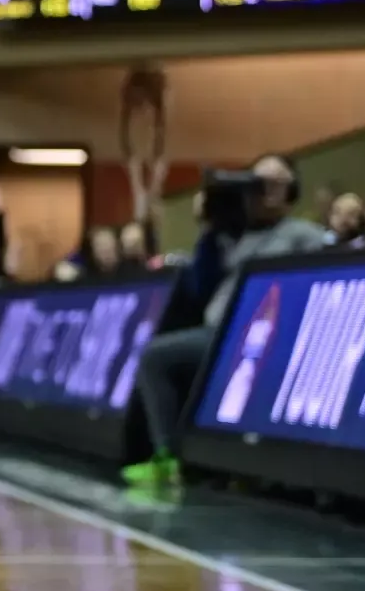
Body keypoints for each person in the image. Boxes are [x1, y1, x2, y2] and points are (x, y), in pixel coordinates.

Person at [125, 155, 326, 487]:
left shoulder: (305, 235)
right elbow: (199, 286)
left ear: (291, 191)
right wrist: (210, 227)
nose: (264, 192)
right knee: (156, 356)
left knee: (169, 359)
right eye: (257, 183)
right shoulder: (235, 235)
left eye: (275, 184)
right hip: (217, 331)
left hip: (259, 336)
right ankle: (170, 456)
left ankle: (197, 460)